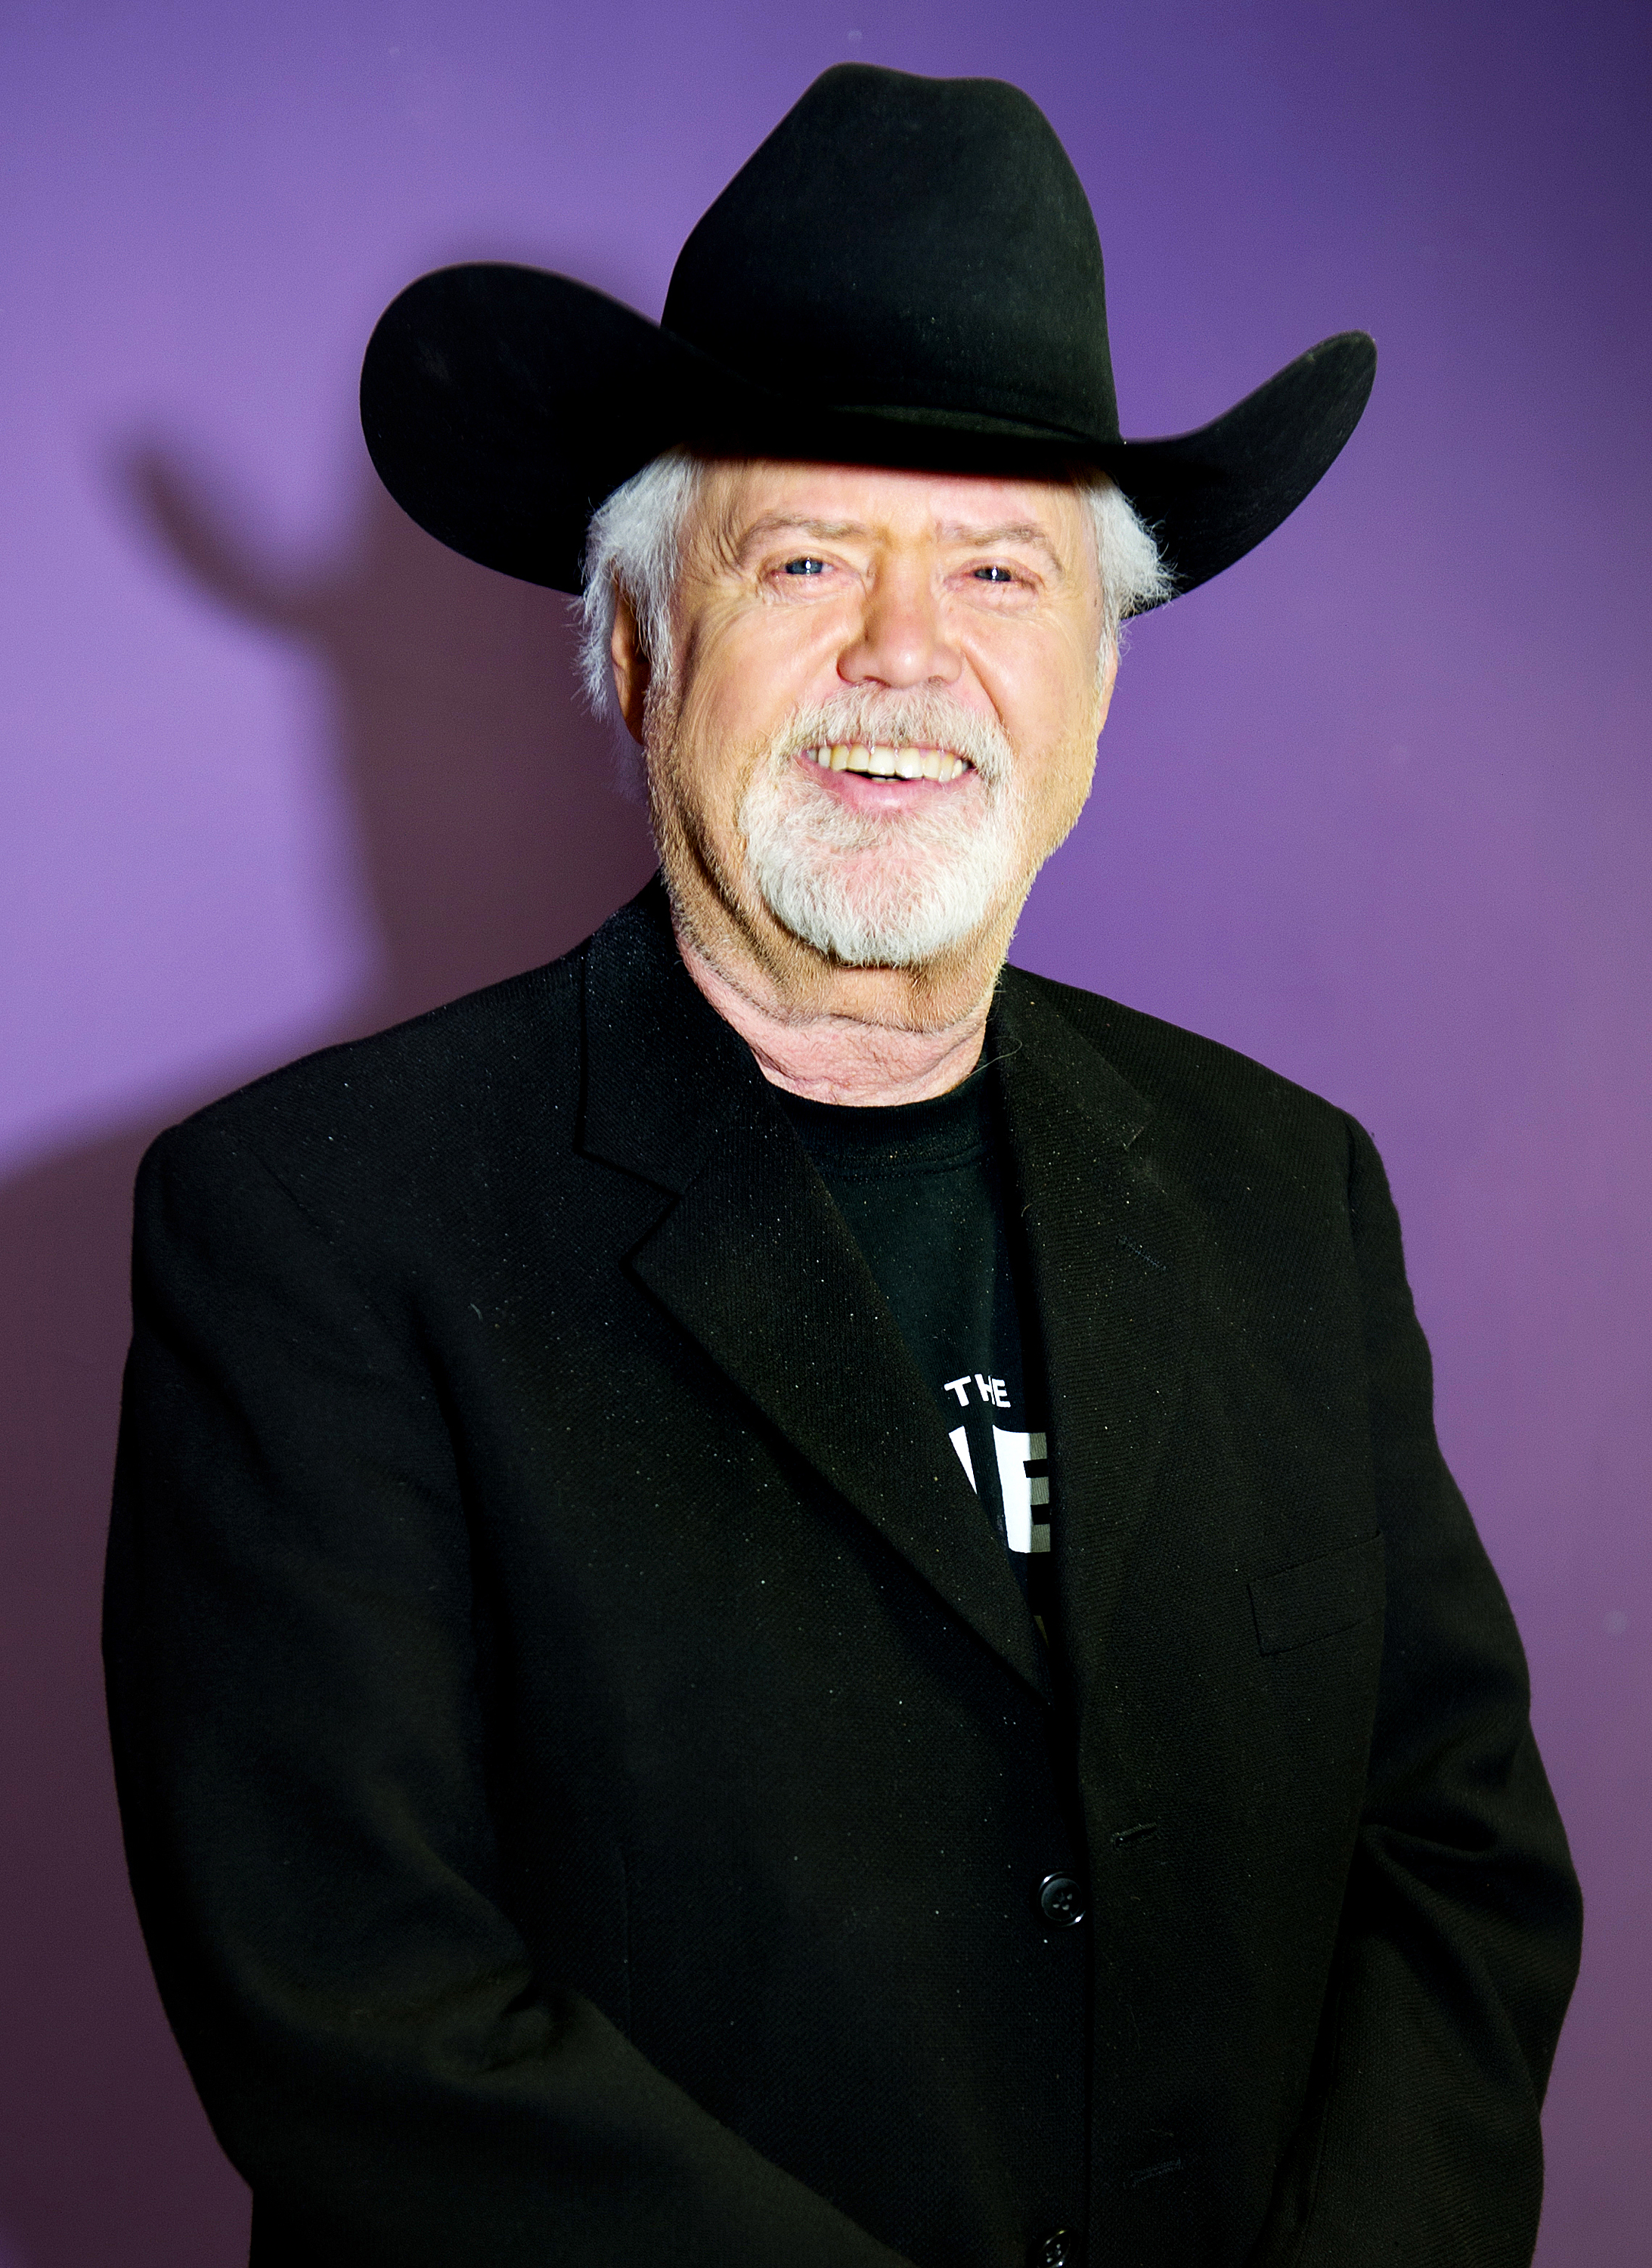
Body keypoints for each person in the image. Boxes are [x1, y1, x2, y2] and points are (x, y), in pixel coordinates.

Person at [104, 63, 1581, 2268]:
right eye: (801, 556)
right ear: (632, 648)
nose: (908, 658)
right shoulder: (317, 1226)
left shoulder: (1288, 1191)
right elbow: (363, 2009)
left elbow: (1453, 1858)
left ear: (1091, 683)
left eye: (998, 571)